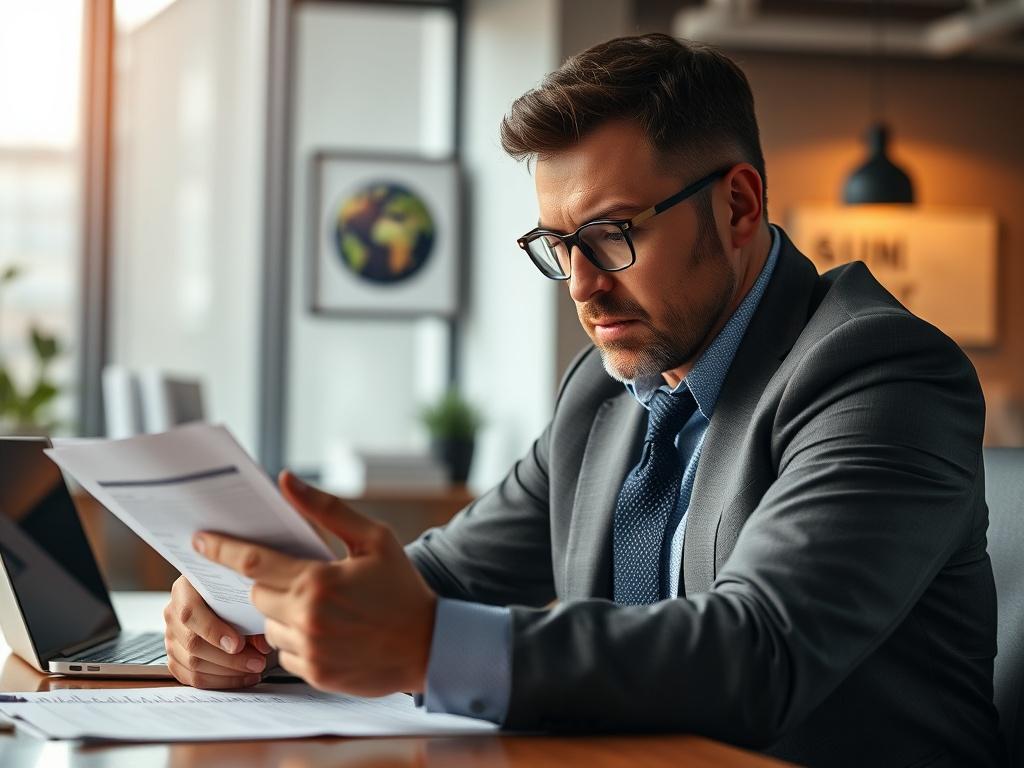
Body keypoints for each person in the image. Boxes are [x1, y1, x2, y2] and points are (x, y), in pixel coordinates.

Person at [162, 33, 1003, 766]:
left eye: (611, 234)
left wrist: (420, 644)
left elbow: (760, 652)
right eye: (558, 245)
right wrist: (257, 625)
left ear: (739, 206)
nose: (582, 287)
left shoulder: (878, 371)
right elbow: (450, 577)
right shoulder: (605, 393)